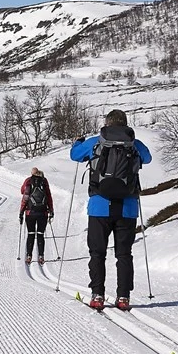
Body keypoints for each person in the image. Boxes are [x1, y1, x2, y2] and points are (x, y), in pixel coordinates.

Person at [70, 109, 152, 311]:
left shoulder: (96, 142)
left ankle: (97, 294)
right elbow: (147, 158)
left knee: (97, 253)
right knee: (124, 254)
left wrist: (77, 142)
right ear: (125, 124)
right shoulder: (134, 144)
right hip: (127, 208)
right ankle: (123, 297)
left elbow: (75, 155)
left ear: (107, 124)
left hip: (99, 205)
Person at [19, 167, 54, 266]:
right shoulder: (44, 181)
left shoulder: (28, 181)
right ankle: (41, 256)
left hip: (30, 213)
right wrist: (51, 210)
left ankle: (29, 256)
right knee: (40, 234)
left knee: (31, 234)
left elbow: (24, 194)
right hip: (43, 213)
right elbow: (49, 196)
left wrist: (21, 212)